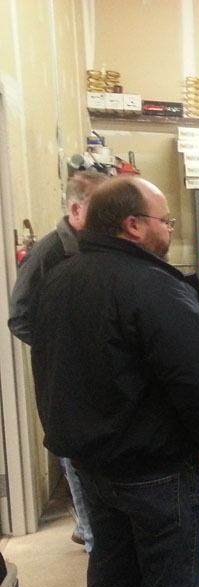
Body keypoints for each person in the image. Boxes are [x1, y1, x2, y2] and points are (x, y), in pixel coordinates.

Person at [29, 176, 199, 587]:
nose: (170, 229)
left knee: (111, 576)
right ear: (134, 225)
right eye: (165, 220)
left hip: (93, 468)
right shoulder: (155, 287)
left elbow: (49, 368)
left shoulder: (60, 278)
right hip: (158, 474)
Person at [8, 170, 108, 553]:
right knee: (77, 465)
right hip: (65, 386)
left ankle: (87, 527)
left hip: (96, 383)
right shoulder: (49, 253)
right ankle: (94, 543)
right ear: (76, 209)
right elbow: (19, 317)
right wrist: (63, 349)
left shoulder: (96, 246)